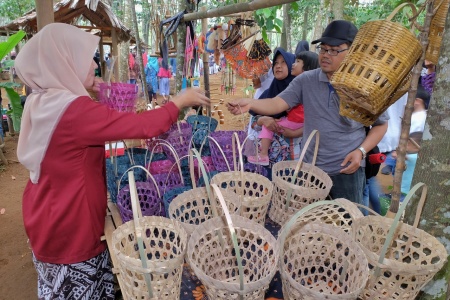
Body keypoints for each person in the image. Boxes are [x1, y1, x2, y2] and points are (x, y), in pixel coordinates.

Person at [14, 23, 209, 300]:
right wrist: (178, 102)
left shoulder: (42, 100)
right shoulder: (73, 110)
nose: (94, 66)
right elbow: (139, 126)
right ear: (64, 62)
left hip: (46, 213)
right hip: (71, 224)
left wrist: (90, 89)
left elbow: (90, 125)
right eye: (84, 60)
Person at [228, 20, 389, 205]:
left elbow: (381, 124)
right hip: (311, 169)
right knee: (312, 223)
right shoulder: (306, 80)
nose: (326, 55)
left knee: (347, 223)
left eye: (335, 50)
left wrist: (361, 151)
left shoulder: (365, 85)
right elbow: (277, 103)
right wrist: (250, 103)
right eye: (323, 49)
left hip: (347, 170)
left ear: (352, 52)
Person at [248, 50, 319, 165]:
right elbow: (253, 122)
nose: (278, 66)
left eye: (283, 62)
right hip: (269, 160)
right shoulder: (269, 92)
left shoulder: (303, 90)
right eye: (275, 63)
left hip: (294, 159)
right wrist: (262, 120)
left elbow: (316, 122)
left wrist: (295, 133)